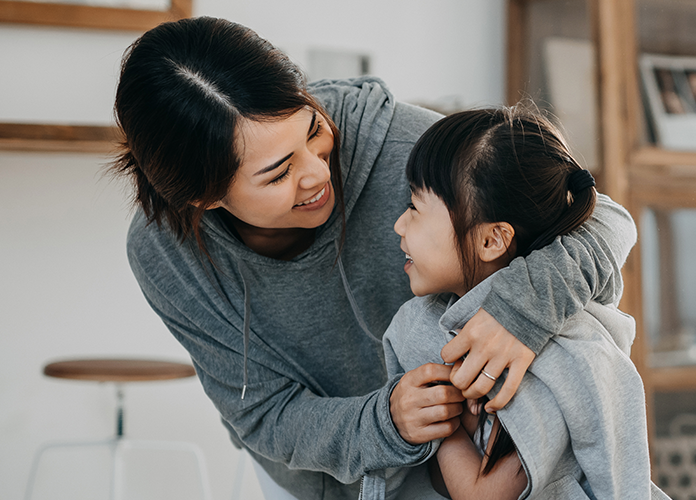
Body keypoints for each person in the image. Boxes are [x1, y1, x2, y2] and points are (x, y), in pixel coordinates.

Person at [111, 17, 635, 500]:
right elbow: (263, 414)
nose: (316, 172)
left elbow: (601, 217)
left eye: (312, 129)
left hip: (470, 459)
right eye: (277, 173)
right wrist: (386, 421)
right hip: (317, 481)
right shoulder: (165, 253)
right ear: (203, 197)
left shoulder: (407, 143)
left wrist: (521, 309)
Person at [366, 106, 666, 500]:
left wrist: (447, 425)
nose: (398, 225)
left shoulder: (557, 358)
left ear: (491, 240)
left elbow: (483, 494)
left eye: (414, 208)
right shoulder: (421, 322)